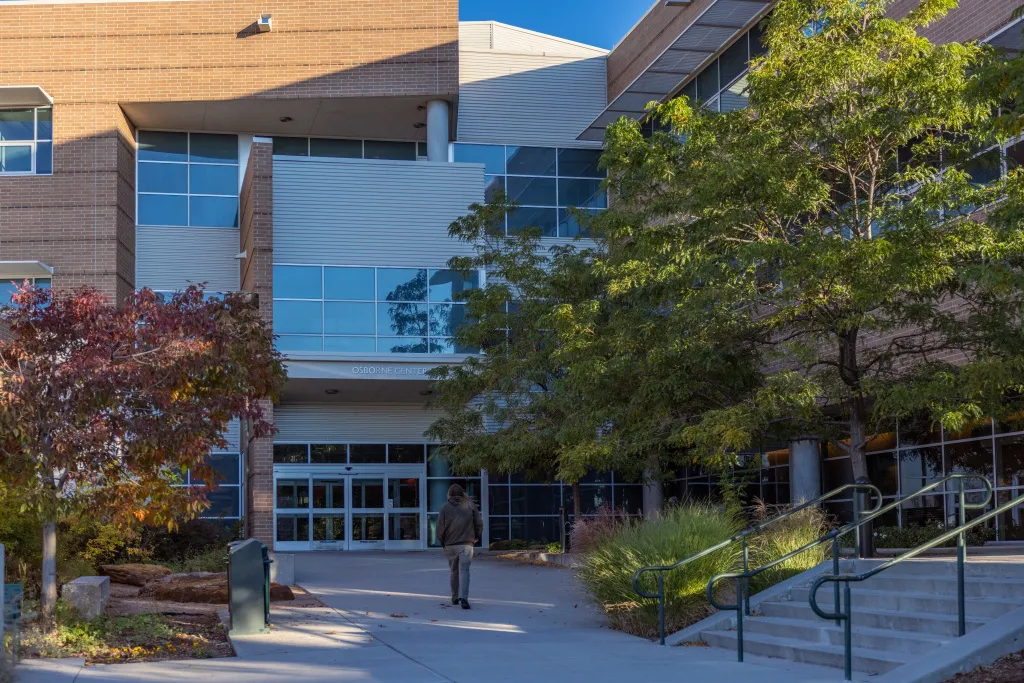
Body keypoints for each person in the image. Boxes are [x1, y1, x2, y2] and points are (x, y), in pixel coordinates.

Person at [437, 483, 483, 609]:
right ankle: (464, 598)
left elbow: (440, 528)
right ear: (462, 493)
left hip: (450, 545)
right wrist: (476, 537)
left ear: (449, 494)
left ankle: (454, 596)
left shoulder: (444, 508)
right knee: (465, 571)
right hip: (467, 544)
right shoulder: (470, 506)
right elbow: (479, 523)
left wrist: (442, 542)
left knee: (454, 572)